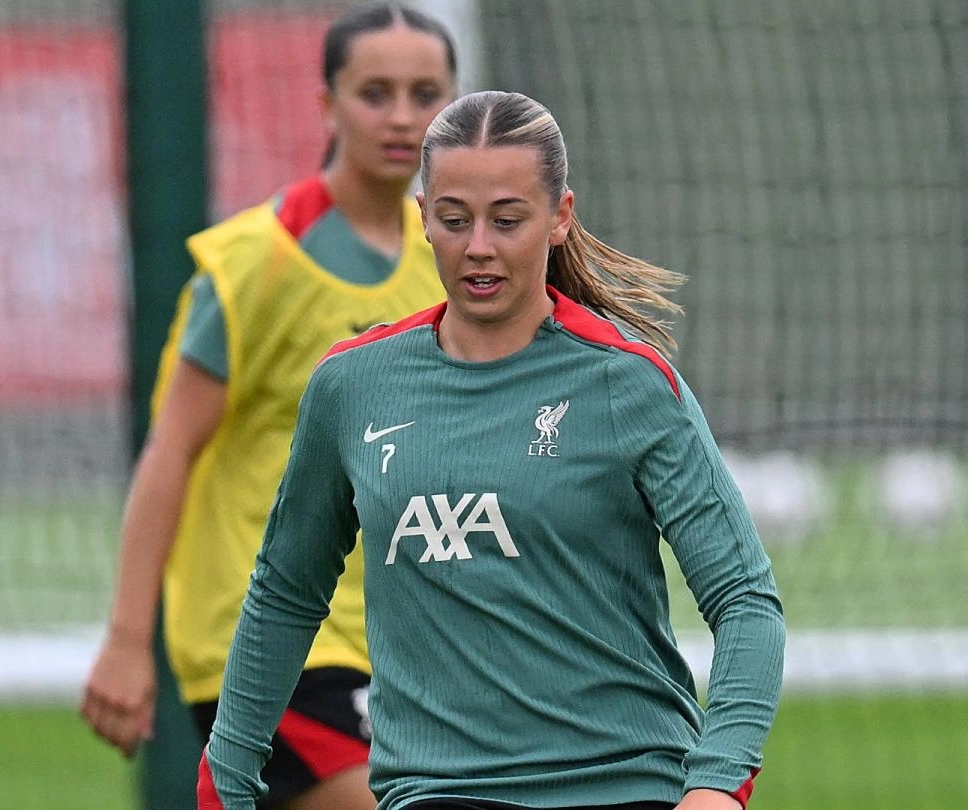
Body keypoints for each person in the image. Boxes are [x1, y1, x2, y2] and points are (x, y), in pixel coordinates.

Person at [201, 90, 787, 810]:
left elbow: (746, 600)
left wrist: (719, 783)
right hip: (440, 792)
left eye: (507, 220)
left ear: (560, 218)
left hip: (627, 786)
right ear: (423, 218)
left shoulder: (627, 383)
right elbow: (284, 595)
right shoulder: (352, 386)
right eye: (455, 219)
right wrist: (223, 782)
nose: (479, 244)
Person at [79, 4, 457, 808]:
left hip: (402, 641)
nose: (401, 117)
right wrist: (124, 640)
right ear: (326, 105)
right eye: (374, 93)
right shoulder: (257, 262)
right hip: (270, 640)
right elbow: (169, 450)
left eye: (424, 94)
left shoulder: (452, 261)